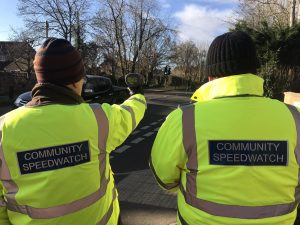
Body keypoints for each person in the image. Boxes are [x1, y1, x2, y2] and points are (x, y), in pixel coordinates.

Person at [150, 31, 300, 225]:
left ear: (210, 76)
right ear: (255, 72)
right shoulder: (294, 118)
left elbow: (165, 180)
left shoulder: (184, 119)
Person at [0, 38, 146, 225]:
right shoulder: (100, 119)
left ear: (39, 78)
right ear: (78, 79)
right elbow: (132, 111)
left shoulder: (4, 129)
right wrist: (137, 94)